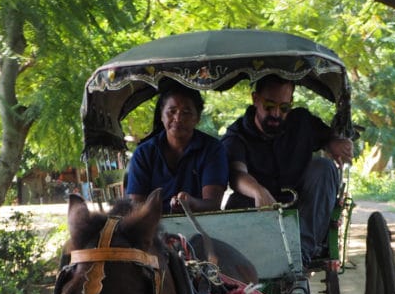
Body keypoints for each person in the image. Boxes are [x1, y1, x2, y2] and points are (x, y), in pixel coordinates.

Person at [222, 75, 354, 265]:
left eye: (284, 108)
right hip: (259, 211)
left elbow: (331, 138)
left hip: (302, 213)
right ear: (255, 99)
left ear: (291, 104)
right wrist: (258, 191)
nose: (276, 113)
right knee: (236, 203)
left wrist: (335, 143)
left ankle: (300, 254)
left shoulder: (302, 122)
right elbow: (237, 173)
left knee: (324, 167)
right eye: (269, 105)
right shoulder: (237, 135)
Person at [126, 84, 229, 213]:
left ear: (197, 118)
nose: (178, 118)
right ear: (162, 115)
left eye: (186, 112)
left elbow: (213, 204)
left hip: (201, 226)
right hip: (153, 228)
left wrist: (191, 203)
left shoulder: (212, 149)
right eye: (172, 111)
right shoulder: (143, 153)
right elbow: (136, 206)